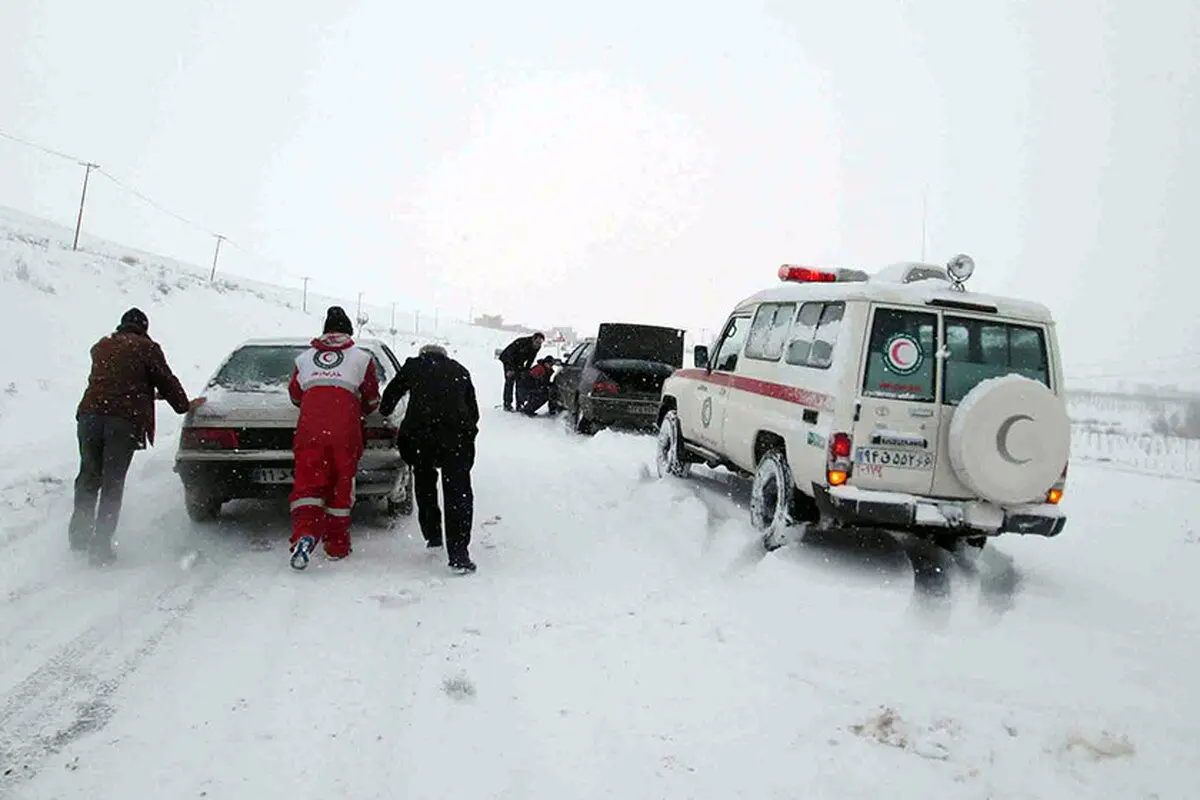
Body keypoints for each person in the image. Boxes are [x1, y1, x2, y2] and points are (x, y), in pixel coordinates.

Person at [71, 307, 200, 564]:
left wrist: (142, 392)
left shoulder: (102, 347)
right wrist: (183, 405)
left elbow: (113, 381)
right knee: (112, 482)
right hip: (122, 422)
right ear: (143, 328)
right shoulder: (146, 348)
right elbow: (166, 380)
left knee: (88, 475)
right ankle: (100, 547)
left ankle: (79, 534)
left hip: (89, 416)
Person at [286, 306, 380, 570]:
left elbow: (295, 396)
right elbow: (371, 400)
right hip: (345, 432)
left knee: (307, 485)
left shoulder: (304, 359)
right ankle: (336, 545)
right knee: (341, 484)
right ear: (349, 332)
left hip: (310, 430)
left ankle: (304, 534)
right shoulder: (362, 358)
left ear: (325, 331)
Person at [379, 342, 480, 574]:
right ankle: (459, 554)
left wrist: (384, 411)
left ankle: (433, 536)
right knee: (458, 491)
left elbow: (393, 392)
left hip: (421, 437)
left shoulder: (414, 366)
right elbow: (473, 412)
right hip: (456, 438)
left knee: (425, 482)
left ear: (422, 354)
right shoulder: (460, 370)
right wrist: (466, 430)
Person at [497, 332, 544, 412]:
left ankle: (520, 404)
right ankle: (507, 404)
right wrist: (510, 369)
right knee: (510, 381)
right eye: (537, 342)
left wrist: (527, 371)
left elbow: (531, 359)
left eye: (540, 343)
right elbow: (510, 354)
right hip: (508, 359)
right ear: (533, 339)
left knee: (521, 381)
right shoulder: (522, 342)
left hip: (519, 362)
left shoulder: (537, 347)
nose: (538, 345)